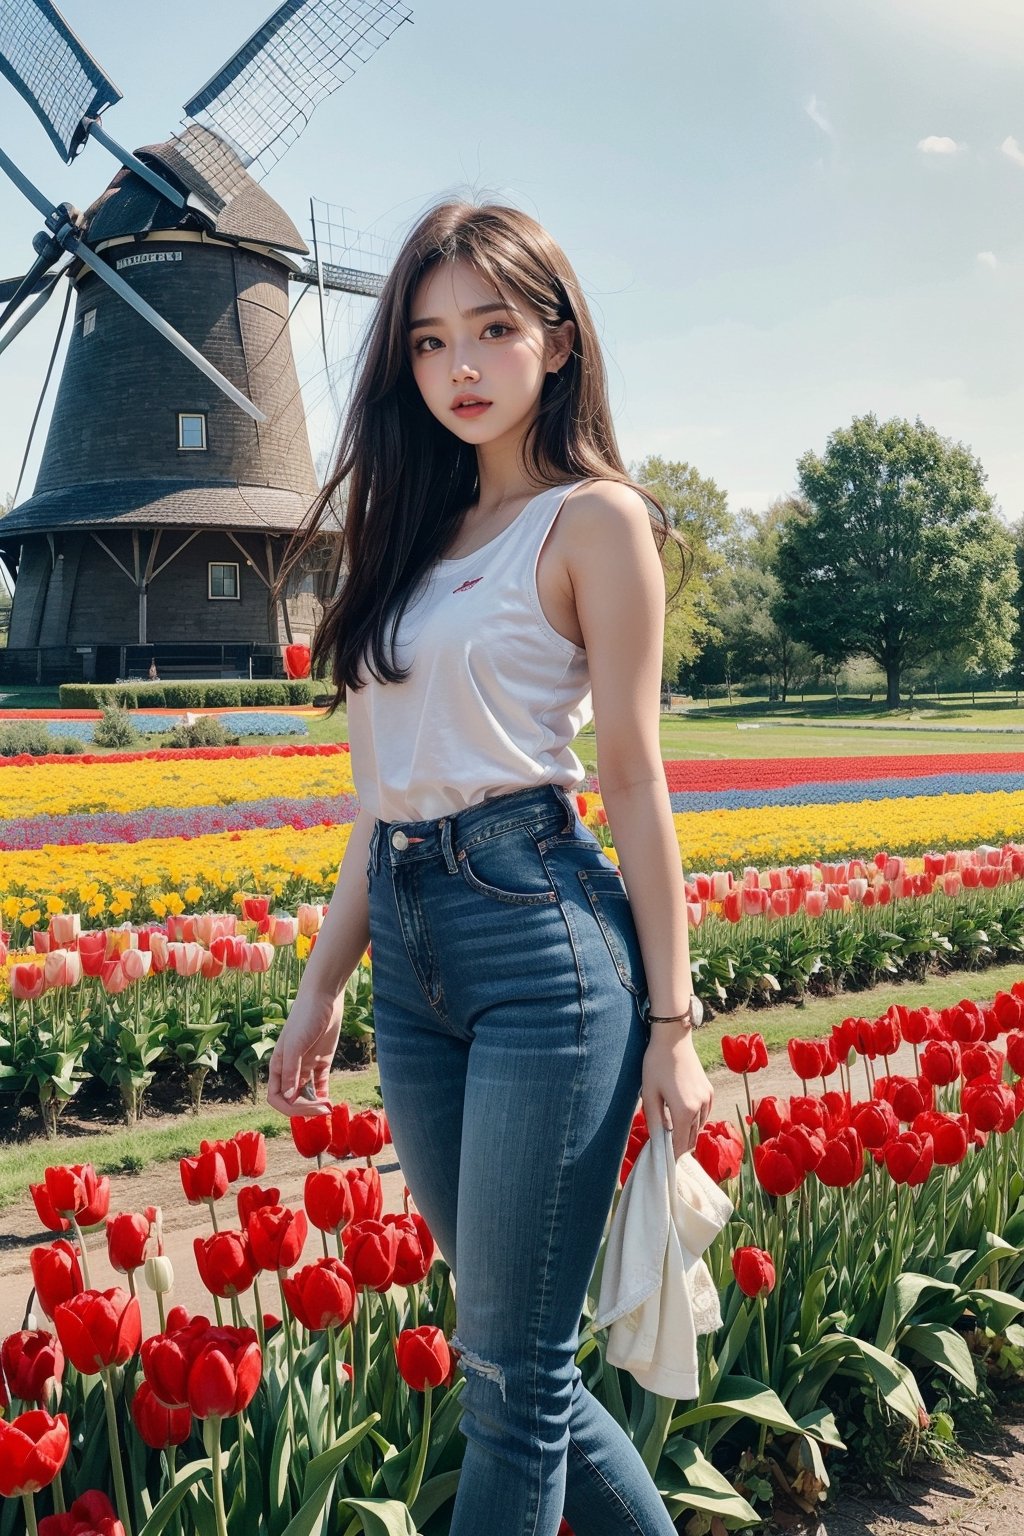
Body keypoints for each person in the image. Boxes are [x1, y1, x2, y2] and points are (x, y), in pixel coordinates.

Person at [267, 200, 714, 1536]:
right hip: (409, 956)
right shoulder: (408, 537)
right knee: (519, 1366)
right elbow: (385, 799)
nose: (459, 365)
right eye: (428, 340)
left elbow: (633, 776)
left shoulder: (594, 521)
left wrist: (676, 1028)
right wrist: (321, 987)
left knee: (512, 1379)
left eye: (495, 330)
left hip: (544, 946)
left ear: (558, 343)